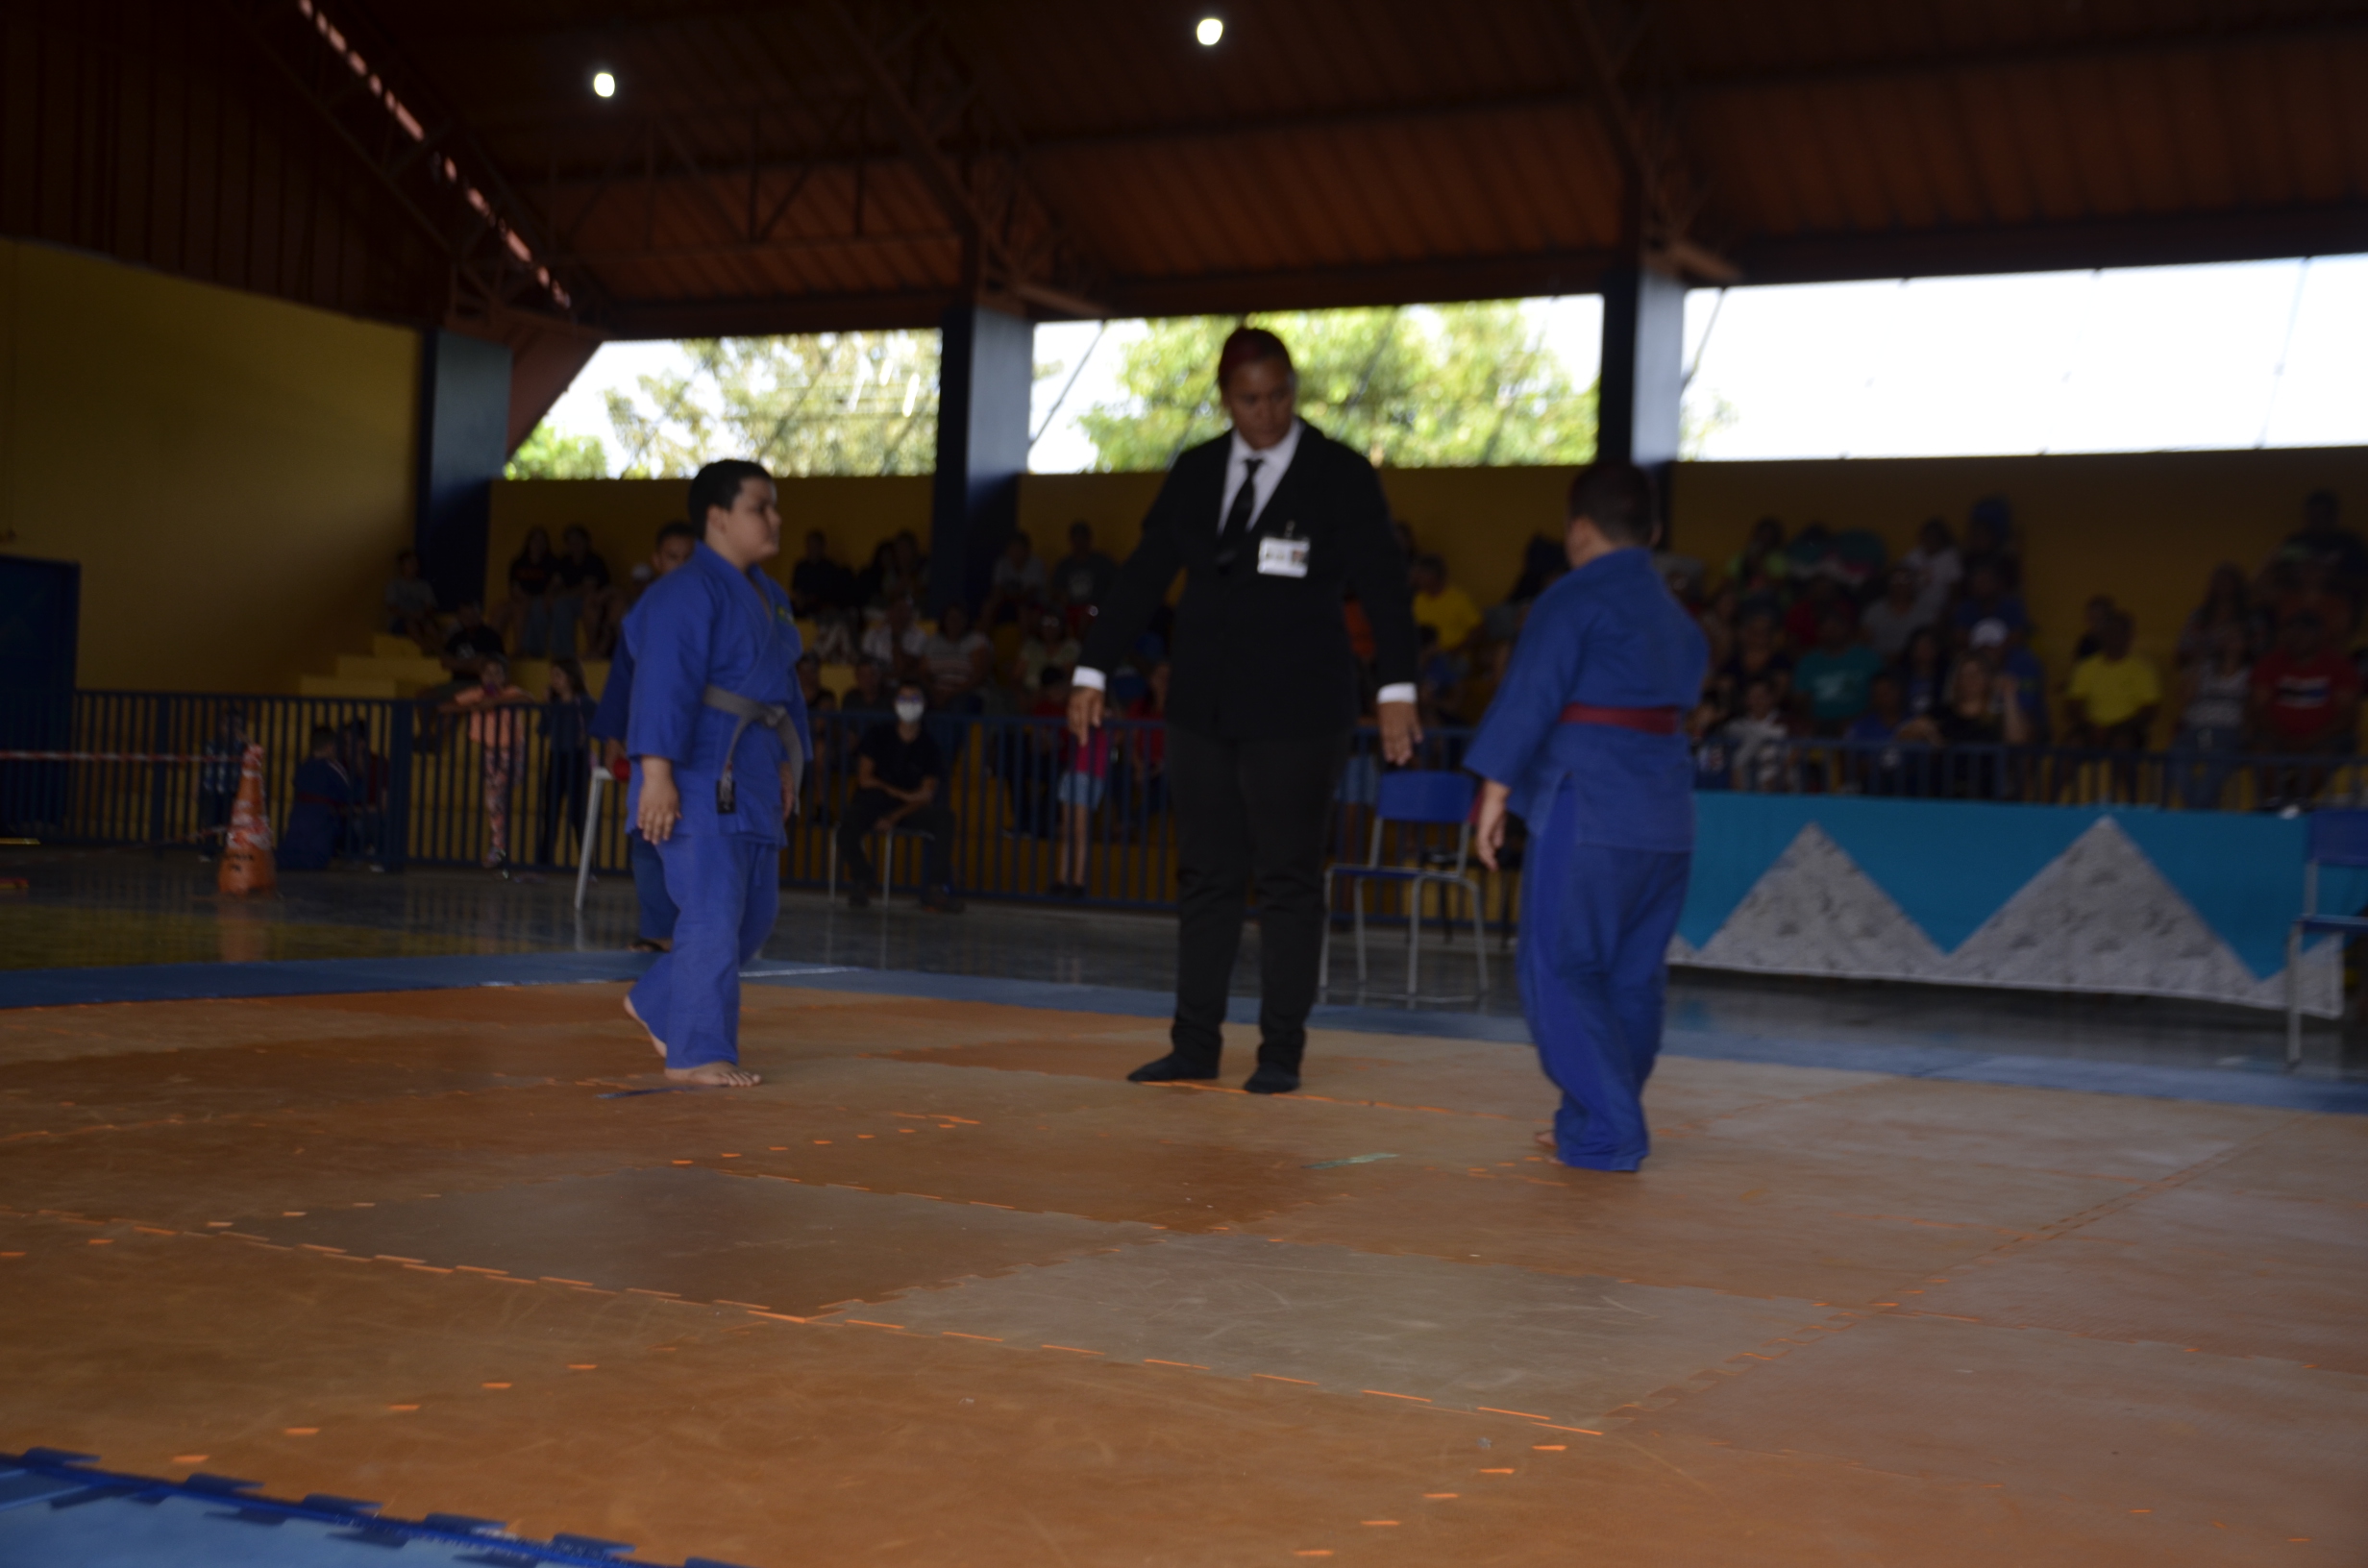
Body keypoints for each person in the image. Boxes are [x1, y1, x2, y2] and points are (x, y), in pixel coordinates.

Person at [1069, 326, 1419, 1095]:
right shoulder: (1196, 471)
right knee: (1206, 877)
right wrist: (1093, 666)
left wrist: (1397, 690)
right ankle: (1194, 1045)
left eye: (1279, 396)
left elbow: (1385, 585)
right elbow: (1145, 572)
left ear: (1294, 389)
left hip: (1300, 708)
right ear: (1226, 400)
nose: (1266, 414)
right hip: (1202, 704)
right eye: (1249, 400)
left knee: (1289, 879)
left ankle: (1280, 1053)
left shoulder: (1337, 473)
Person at [1468, 460, 1707, 1173]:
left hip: (1591, 803)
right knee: (1631, 976)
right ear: (1654, 532)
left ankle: (1607, 1130)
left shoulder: (1571, 601)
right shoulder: (1677, 617)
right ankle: (1587, 1115)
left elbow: (1531, 696)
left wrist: (1496, 792)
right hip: (1666, 812)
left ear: (1578, 530)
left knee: (1563, 969)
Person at [621, 458, 812, 1089]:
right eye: (762, 506)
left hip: (753, 767)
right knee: (709, 912)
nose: (775, 518)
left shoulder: (772, 596)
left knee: (752, 917)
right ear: (718, 517)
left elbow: (785, 688)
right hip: (696, 769)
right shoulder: (682, 592)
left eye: (775, 506)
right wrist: (656, 775)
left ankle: (653, 1001)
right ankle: (699, 1052)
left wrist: (789, 761)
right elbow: (661, 683)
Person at [591, 523, 700, 952]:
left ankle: (697, 930)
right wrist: (614, 733)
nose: (679, 565)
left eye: (687, 557)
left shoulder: (713, 609)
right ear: (657, 560)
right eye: (672, 556)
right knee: (647, 832)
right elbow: (623, 676)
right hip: (648, 741)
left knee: (696, 837)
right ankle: (657, 930)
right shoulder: (645, 611)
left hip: (700, 743)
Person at [837, 679, 962, 912]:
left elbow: (925, 795)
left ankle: (935, 889)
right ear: (895, 703)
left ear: (924, 704)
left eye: (914, 699)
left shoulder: (929, 746)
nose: (908, 704)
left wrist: (896, 815)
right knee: (847, 825)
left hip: (906, 810)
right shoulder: (878, 734)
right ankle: (863, 879)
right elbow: (865, 778)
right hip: (872, 802)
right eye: (903, 699)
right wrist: (902, 793)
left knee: (945, 818)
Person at [443, 654, 531, 870]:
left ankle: (497, 849)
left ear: (505, 676)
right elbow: (445, 707)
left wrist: (495, 701)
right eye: (487, 673)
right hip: (490, 752)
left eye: (497, 672)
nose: (492, 677)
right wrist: (474, 706)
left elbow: (528, 699)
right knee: (494, 802)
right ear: (481, 676)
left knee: (496, 796)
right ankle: (499, 850)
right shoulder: (476, 695)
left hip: (513, 752)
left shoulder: (510, 693)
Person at [2171, 623, 2252, 810]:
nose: (2230, 643)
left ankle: (2195, 812)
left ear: (2245, 643)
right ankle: (2201, 811)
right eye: (2226, 638)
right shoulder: (2203, 669)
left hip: (2228, 733)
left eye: (2236, 638)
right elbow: (2184, 698)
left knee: (2219, 758)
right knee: (2177, 756)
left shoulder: (2250, 673)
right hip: (2194, 731)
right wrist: (2198, 663)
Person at [1051, 666, 1112, 898]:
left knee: (1080, 829)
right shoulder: (1077, 712)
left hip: (1090, 775)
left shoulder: (1106, 716)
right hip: (1073, 773)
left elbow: (1113, 729)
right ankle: (1062, 877)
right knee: (1067, 830)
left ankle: (1078, 880)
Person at [2064, 613, 2160, 751]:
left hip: (2127, 730)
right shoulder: (2085, 667)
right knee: (2072, 744)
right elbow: (2073, 705)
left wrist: (2113, 729)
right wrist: (2092, 727)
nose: (2114, 637)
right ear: (2102, 636)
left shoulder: (2143, 670)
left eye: (2120, 632)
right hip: (2090, 728)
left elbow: (2149, 711)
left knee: (2122, 744)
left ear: (2129, 636)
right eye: (2110, 632)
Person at [535, 658, 598, 868]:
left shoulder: (585, 702)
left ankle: (588, 867)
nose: (553, 680)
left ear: (571, 678)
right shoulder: (554, 704)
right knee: (550, 813)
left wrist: (585, 735)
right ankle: (543, 865)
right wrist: (546, 706)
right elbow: (542, 730)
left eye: (558, 675)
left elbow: (597, 723)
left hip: (577, 760)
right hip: (556, 759)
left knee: (578, 816)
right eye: (552, 675)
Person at [1792, 613, 1885, 734]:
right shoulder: (1808, 662)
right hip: (1819, 726)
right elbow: (1800, 698)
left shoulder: (1868, 658)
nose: (1831, 634)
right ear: (1818, 633)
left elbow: (1883, 694)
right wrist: (1811, 721)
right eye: (1825, 630)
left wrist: (1860, 720)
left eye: (1835, 628)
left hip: (1862, 723)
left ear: (1846, 629)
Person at [278, 724, 351, 871]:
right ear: (330, 747)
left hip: (299, 816)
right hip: (322, 820)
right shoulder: (334, 768)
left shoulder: (303, 767)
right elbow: (346, 793)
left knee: (290, 854)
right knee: (317, 858)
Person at [550, 526, 614, 660]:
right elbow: (555, 583)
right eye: (571, 542)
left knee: (562, 604)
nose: (575, 545)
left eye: (578, 541)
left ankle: (566, 655)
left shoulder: (594, 561)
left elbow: (587, 589)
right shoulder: (565, 561)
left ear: (586, 542)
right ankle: (550, 652)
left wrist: (560, 596)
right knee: (543, 605)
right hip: (571, 601)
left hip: (595, 603)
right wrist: (548, 595)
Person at [499, 527, 560, 657]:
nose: (538, 544)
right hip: (521, 598)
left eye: (541, 541)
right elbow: (514, 588)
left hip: (541, 599)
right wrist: (524, 597)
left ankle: (522, 649)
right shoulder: (518, 562)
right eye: (535, 540)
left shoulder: (552, 562)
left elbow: (555, 584)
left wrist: (541, 597)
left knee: (528, 607)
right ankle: (492, 650)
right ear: (529, 542)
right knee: (500, 610)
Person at [195, 708, 247, 862]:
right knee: (210, 821)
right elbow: (203, 767)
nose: (231, 729)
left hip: (231, 789)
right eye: (228, 724)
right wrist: (197, 786)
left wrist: (244, 739)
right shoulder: (212, 744)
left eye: (236, 725)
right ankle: (208, 850)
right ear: (221, 726)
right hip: (211, 788)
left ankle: (228, 850)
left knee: (228, 821)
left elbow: (255, 753)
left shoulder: (241, 746)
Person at [921, 601, 991, 711]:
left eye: (959, 618)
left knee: (958, 706)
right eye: (951, 618)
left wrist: (951, 693)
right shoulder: (934, 641)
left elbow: (980, 675)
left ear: (966, 620)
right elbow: (923, 672)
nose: (954, 622)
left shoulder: (976, 640)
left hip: (966, 693)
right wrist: (935, 692)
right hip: (937, 692)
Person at [1410, 553, 1482, 653]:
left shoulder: (1458, 599)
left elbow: (1479, 630)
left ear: (1434, 575)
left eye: (1421, 575)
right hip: (1424, 655)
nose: (1417, 579)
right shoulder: (1418, 599)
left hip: (1453, 656)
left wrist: (1455, 651)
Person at [1858, 567, 1932, 660]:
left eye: (1905, 579)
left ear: (1913, 584)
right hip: (1878, 663)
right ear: (1888, 583)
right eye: (1895, 579)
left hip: (1912, 665)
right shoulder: (1874, 610)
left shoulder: (1926, 612)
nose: (1900, 584)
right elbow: (1863, 642)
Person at [1053, 521, 1119, 618]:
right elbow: (1057, 591)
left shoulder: (1103, 563)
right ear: (1071, 540)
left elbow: (1116, 585)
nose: (1079, 542)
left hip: (1096, 611)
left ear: (1089, 539)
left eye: (1082, 538)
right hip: (1071, 610)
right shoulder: (1064, 565)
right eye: (1076, 538)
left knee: (1089, 613)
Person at [983, 530, 1048, 627]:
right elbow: (997, 589)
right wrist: (1006, 597)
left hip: (1031, 604)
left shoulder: (1036, 564)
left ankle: (1027, 643)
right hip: (1007, 601)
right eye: (1013, 548)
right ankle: (981, 640)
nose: (1016, 552)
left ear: (1027, 550)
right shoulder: (1002, 563)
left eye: (1019, 548)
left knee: (1024, 612)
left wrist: (1012, 596)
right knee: (988, 607)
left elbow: (1030, 593)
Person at [790, 529, 857, 615]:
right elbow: (796, 589)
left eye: (815, 545)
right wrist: (800, 600)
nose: (812, 549)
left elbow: (833, 594)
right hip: (803, 606)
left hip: (822, 607)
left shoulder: (830, 568)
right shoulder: (800, 567)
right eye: (809, 545)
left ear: (822, 546)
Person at [861, 595, 927, 682]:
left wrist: (896, 637)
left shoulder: (919, 635)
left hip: (905, 684)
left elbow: (903, 668)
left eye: (906, 610)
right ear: (889, 611)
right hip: (877, 683)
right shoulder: (873, 633)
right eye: (899, 610)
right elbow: (865, 663)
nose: (902, 615)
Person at [384, 550, 439, 649]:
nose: (414, 565)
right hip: (401, 621)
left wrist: (422, 614)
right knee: (410, 623)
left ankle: (441, 648)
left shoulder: (424, 586)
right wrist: (411, 615)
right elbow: (392, 607)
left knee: (429, 625)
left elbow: (429, 606)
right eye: (410, 562)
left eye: (415, 562)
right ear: (402, 565)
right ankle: (425, 648)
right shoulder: (394, 586)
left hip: (422, 619)